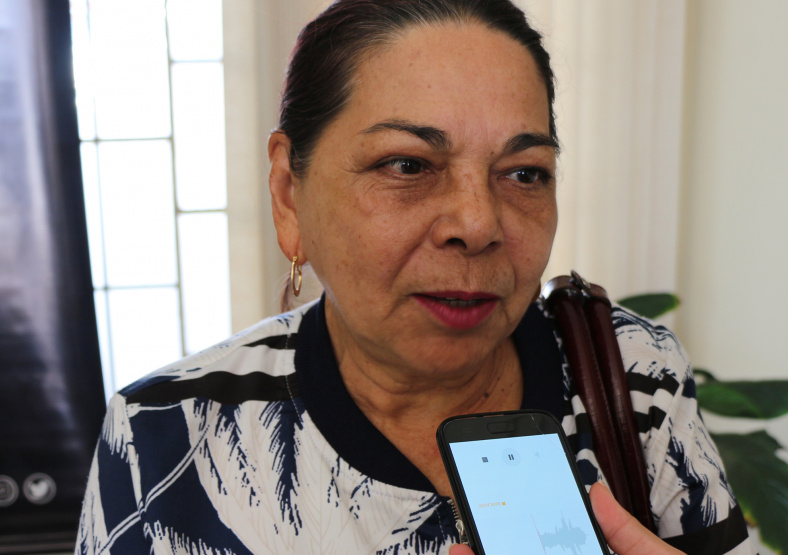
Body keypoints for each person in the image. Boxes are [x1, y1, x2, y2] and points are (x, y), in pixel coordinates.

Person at [76, 1, 751, 553]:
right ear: (289, 192)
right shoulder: (163, 438)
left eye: (524, 173)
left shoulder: (632, 374)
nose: (477, 223)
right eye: (406, 165)